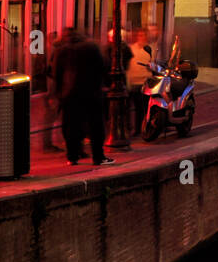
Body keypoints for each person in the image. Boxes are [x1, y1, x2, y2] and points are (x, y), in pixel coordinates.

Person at [53, 28, 113, 166]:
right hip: (91, 91)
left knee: (71, 125)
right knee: (95, 125)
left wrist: (59, 92)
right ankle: (98, 156)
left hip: (69, 94)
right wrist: (105, 84)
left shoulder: (61, 50)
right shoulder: (92, 47)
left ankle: (72, 156)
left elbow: (57, 73)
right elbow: (102, 67)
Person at [125, 27, 153, 136]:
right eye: (139, 35)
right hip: (132, 82)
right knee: (129, 108)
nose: (141, 38)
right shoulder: (131, 49)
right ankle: (130, 128)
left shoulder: (149, 49)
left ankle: (140, 129)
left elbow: (153, 64)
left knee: (142, 108)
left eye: (143, 35)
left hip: (144, 82)